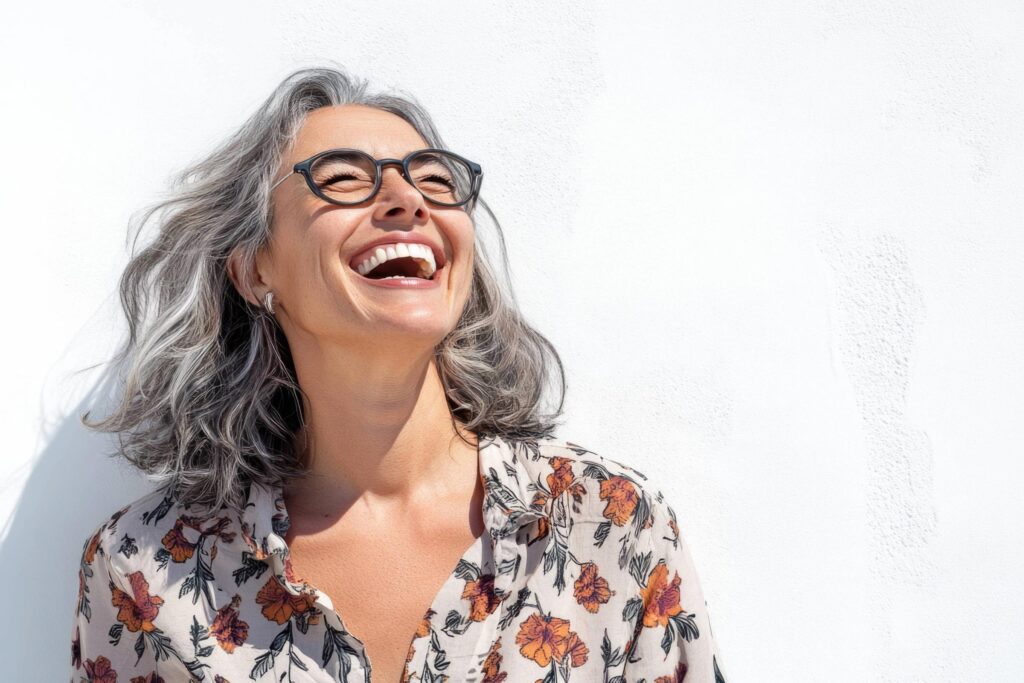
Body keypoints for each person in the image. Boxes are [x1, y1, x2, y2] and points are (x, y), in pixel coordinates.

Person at [69, 66, 728, 683]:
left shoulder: (608, 526)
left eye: (435, 180)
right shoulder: (146, 571)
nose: (407, 198)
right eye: (344, 177)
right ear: (255, 269)